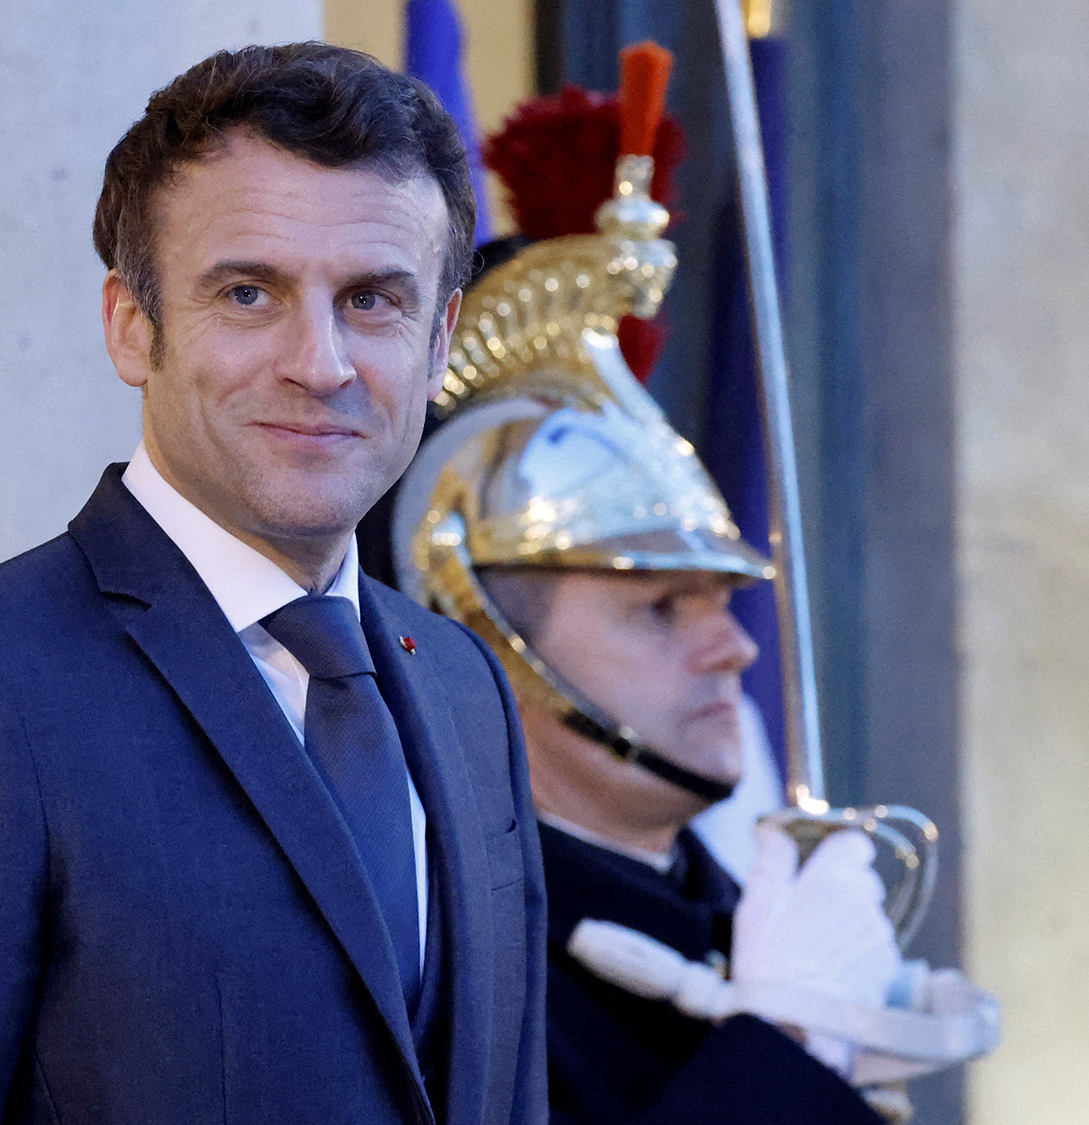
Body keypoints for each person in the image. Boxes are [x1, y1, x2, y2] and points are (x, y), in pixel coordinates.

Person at [0, 43, 546, 1125]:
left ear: (439, 335)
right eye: (250, 293)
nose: (319, 363)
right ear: (132, 326)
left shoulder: (462, 688)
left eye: (371, 301)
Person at [382, 73, 902, 1124]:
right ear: (479, 641)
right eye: (657, 609)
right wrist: (790, 1043)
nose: (731, 651)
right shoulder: (442, 964)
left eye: (719, 601)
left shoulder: (734, 918)